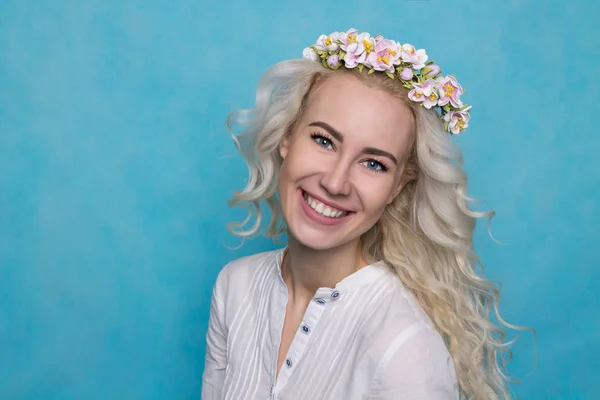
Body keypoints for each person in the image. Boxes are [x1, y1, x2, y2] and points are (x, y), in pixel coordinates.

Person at [202, 29, 520, 399]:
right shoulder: (234, 286)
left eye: (373, 163)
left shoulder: (404, 348)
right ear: (287, 136)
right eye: (324, 140)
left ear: (398, 185)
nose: (336, 183)